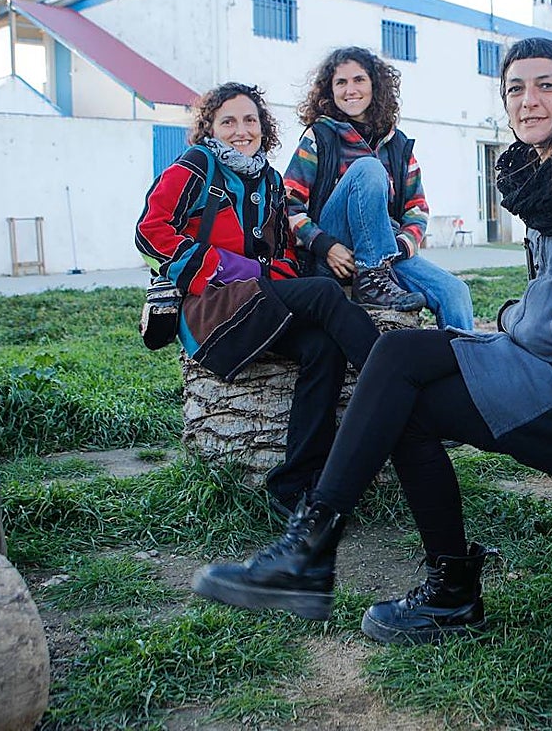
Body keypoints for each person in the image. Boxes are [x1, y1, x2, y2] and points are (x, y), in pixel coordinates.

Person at [191, 40, 552, 644]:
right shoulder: (546, 171)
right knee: (399, 363)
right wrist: (524, 316)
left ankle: (339, 562)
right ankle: (356, 563)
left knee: (404, 385)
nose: (528, 100)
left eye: (546, 85)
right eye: (515, 88)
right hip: (543, 356)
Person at [136, 82, 381, 517]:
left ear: (262, 126)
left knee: (323, 349)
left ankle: (293, 488)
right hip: (211, 311)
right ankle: (395, 378)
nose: (241, 130)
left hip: (255, 304)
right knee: (323, 292)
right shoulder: (195, 167)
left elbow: (284, 252)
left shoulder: (268, 178)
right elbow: (149, 232)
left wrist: (265, 273)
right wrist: (226, 268)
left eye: (250, 119)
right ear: (210, 127)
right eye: (228, 121)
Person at [284, 46, 475, 329]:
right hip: (332, 250)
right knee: (368, 168)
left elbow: (417, 210)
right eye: (341, 82)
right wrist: (326, 245)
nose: (351, 89)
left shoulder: (398, 145)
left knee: (455, 292)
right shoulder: (319, 137)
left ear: (375, 84)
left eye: (359, 80)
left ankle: (467, 367)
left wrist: (398, 247)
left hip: (386, 255)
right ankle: (369, 281)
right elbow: (289, 203)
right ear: (330, 90)